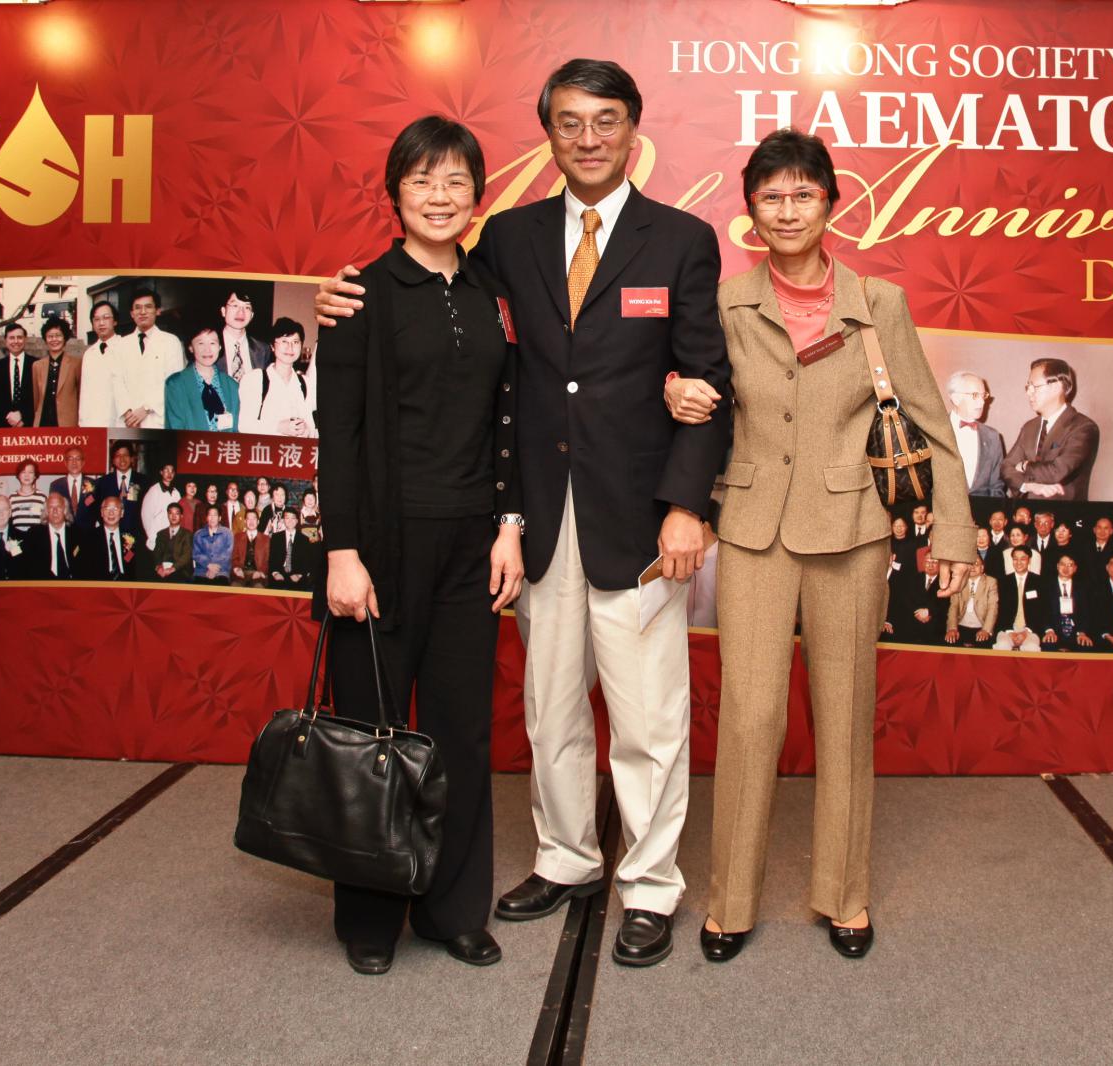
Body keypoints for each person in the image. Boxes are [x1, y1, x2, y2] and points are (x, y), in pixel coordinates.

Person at [320, 70, 729, 972]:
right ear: (547, 133)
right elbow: (439, 306)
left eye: (605, 122)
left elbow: (707, 378)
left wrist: (686, 506)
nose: (588, 139)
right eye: (569, 123)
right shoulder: (507, 236)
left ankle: (649, 885)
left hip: (639, 521)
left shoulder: (681, 240)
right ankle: (568, 858)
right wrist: (338, 300)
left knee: (649, 716)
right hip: (531, 518)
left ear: (634, 130)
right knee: (549, 707)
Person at [661, 128, 969, 962]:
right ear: (750, 211)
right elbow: (692, 387)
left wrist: (954, 532)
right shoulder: (727, 302)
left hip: (853, 532)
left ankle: (845, 894)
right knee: (750, 719)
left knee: (845, 717)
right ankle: (731, 900)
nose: (788, 210)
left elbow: (932, 425)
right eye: (771, 196)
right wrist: (673, 385)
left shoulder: (879, 303)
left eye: (803, 194)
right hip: (754, 530)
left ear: (831, 203)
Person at [314, 114, 526, 976]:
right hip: (380, 547)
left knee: (458, 737)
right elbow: (338, 436)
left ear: (478, 195)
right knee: (370, 739)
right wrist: (342, 552)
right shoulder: (360, 295)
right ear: (394, 194)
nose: (440, 196)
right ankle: (369, 919)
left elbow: (510, 421)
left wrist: (509, 526)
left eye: (456, 181)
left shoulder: (491, 293)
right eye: (421, 181)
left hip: (472, 548)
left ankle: (451, 909)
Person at [1001, 357, 1099, 500]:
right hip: (1025, 511)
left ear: (1056, 387)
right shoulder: (1029, 427)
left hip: (1062, 512)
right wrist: (1028, 486)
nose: (1028, 392)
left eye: (1034, 386)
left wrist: (1024, 466)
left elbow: (1057, 472)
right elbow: (1006, 467)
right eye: (1028, 387)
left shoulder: (1084, 428)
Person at [114, 289, 185, 429]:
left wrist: (146, 408)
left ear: (158, 311)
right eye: (137, 308)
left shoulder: (171, 342)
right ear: (131, 313)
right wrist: (128, 413)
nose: (142, 312)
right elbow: (117, 382)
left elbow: (173, 383)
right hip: (128, 422)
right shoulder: (121, 345)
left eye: (148, 307)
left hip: (157, 419)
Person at [238, 318, 315, 437]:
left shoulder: (305, 383)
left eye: (295, 342)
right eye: (284, 341)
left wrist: (306, 430)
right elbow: (244, 425)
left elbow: (311, 426)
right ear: (272, 346)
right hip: (263, 447)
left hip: (294, 448)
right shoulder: (255, 379)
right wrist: (279, 427)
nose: (290, 347)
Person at [165, 324, 240, 432]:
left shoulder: (232, 386)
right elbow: (175, 428)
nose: (207, 350)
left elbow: (237, 429)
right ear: (191, 347)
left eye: (212, 343)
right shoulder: (175, 384)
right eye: (201, 343)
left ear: (220, 347)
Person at [945, 371, 1005, 497]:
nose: (982, 402)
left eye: (983, 396)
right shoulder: (934, 432)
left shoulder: (993, 437)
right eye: (975, 395)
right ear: (956, 398)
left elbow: (997, 486)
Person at [77, 300, 123, 427]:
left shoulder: (125, 347)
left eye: (106, 318)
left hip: (118, 422)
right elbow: (85, 392)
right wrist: (82, 422)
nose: (101, 323)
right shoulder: (89, 354)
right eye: (96, 319)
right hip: (92, 423)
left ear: (115, 321)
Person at [994, 545, 1049, 650]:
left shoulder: (1039, 582)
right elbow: (1000, 611)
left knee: (1031, 648)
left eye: (1023, 559)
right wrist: (1009, 631)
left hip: (1030, 630)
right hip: (1007, 629)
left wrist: (1027, 631)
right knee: (1002, 646)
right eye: (1015, 559)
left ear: (1029, 560)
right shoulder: (1003, 582)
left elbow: (1042, 611)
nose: (1018, 562)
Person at [31, 317, 82, 427]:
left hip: (67, 424)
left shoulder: (76, 364)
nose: (54, 339)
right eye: (50, 336)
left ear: (65, 338)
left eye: (58, 335)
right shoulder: (37, 366)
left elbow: (80, 395)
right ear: (45, 339)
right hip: (43, 423)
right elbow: (36, 398)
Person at [77, 496, 142, 580]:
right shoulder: (89, 539)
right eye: (107, 509)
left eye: (115, 509)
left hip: (125, 583)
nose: (111, 513)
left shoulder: (130, 538)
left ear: (122, 513)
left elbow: (132, 565)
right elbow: (84, 570)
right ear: (101, 512)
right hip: (101, 583)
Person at [16, 492, 78, 581]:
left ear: (65, 510)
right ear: (46, 511)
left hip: (72, 584)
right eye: (51, 507)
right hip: (43, 583)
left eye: (58, 507)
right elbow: (26, 565)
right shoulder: (34, 535)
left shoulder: (77, 534)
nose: (55, 511)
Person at [0, 322, 36, 429]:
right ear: (6, 340)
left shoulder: (35, 364)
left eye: (19, 337)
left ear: (25, 339)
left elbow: (39, 396)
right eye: (12, 338)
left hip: (29, 423)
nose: (16, 341)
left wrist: (22, 415)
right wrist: (10, 416)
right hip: (4, 423)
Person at [1041, 553, 1094, 650]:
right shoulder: (1045, 586)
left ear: (1075, 568)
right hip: (1053, 632)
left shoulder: (1083, 588)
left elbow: (1086, 613)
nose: (1066, 568)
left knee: (1086, 646)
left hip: (1076, 633)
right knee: (1048, 645)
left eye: (1070, 565)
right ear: (1057, 566)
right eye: (1063, 564)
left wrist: (1082, 632)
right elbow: (1043, 612)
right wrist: (1049, 630)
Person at [91, 442, 146, 535]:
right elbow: (94, 508)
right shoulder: (102, 482)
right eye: (118, 456)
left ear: (132, 458)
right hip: (110, 534)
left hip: (136, 535)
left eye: (125, 455)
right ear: (113, 460)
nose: (122, 459)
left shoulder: (144, 481)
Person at [944, 556, 997, 645]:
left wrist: (986, 630)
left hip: (981, 626)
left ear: (982, 568)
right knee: (949, 643)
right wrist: (952, 628)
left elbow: (993, 607)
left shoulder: (990, 582)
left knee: (983, 646)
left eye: (976, 564)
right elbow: (953, 606)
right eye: (970, 564)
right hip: (961, 625)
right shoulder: (958, 581)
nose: (973, 567)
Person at [220, 289, 270, 383]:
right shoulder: (208, 346)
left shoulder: (263, 350)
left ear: (252, 315)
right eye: (235, 305)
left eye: (247, 307)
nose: (241, 312)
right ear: (223, 311)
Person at [47, 446, 100, 528]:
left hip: (87, 532)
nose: (74, 462)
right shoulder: (56, 485)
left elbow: (97, 510)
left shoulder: (93, 484)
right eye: (70, 459)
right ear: (65, 462)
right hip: (65, 531)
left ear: (83, 462)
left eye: (78, 459)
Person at [140, 463, 182, 549]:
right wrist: (152, 537)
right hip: (157, 537)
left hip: (172, 537)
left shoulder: (176, 492)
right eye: (166, 470)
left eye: (172, 471)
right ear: (161, 472)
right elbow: (146, 516)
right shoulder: (154, 491)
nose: (169, 474)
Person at [266, 509, 311, 589]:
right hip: (279, 573)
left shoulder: (304, 539)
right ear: (283, 520)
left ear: (297, 521)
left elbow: (306, 562)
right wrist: (275, 573)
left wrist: (299, 575)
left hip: (297, 574)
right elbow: (272, 559)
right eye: (287, 518)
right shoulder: (276, 538)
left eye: (293, 518)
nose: (290, 521)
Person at [231, 506, 269, 586]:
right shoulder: (238, 537)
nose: (251, 522)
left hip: (257, 573)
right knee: (234, 587)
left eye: (254, 519)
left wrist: (261, 571)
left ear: (258, 521)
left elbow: (268, 560)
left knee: (258, 588)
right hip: (241, 573)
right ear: (245, 521)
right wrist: (237, 569)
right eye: (248, 519)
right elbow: (234, 557)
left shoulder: (266, 539)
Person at [6, 459, 47, 533]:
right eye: (23, 472)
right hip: (17, 538)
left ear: (35, 476)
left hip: (38, 537)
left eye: (30, 472)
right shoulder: (12, 498)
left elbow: (46, 522)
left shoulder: (42, 497)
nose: (27, 475)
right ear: (19, 475)